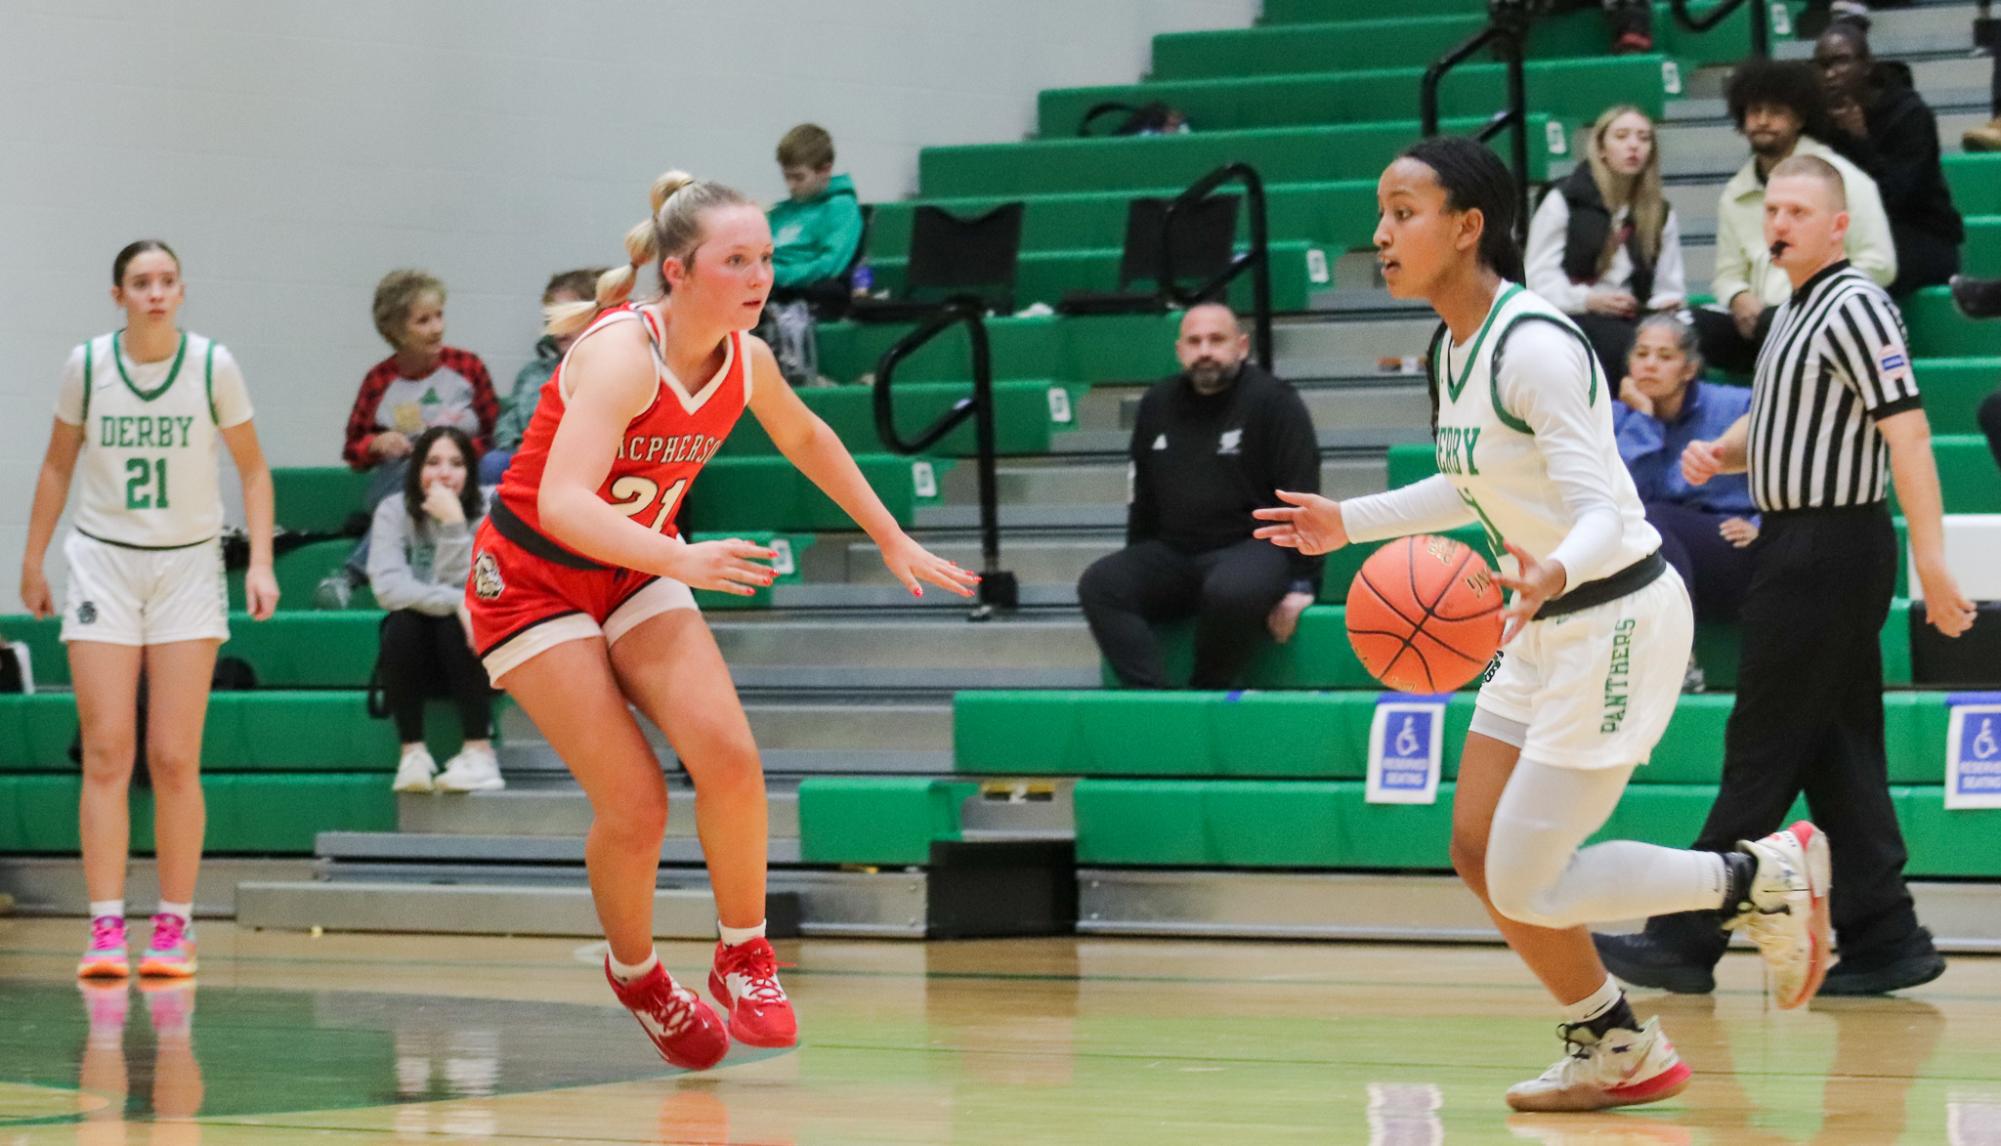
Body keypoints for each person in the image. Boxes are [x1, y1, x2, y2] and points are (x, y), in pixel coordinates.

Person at [1252, 138, 1828, 1113]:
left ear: (1468, 226)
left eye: (1403, 212)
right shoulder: (1452, 350)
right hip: (1539, 616)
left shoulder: (1538, 347)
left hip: (1613, 615)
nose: (1383, 234)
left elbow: (1606, 504)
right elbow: (1474, 480)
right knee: (1478, 852)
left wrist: (1556, 565)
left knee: (1528, 881)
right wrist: (1346, 523)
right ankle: (1615, 1045)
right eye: (1381, 215)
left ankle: (1757, 875)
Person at [465, 169, 977, 1068]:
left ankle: (744, 953)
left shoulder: (747, 359)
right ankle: (640, 975)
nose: (758, 278)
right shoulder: (625, 351)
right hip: (532, 577)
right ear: (678, 270)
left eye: (766, 260)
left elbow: (808, 436)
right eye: (735, 260)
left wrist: (889, 534)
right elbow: (560, 502)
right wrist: (679, 558)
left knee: (733, 759)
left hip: (634, 567)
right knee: (635, 803)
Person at [1595, 156, 1978, 999]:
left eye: (1799, 211)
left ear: (1837, 227)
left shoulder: (1855, 306)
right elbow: (1783, 422)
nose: (1779, 222)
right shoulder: (1791, 311)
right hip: (1798, 545)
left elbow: (1905, 434)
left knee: (1760, 750)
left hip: (1827, 551)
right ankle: (1886, 937)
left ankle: (1684, 937)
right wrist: (1720, 453)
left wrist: (1932, 562)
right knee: (1838, 751)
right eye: (1772, 207)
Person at [18, 240, 280, 980]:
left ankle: (174, 925)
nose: (156, 293)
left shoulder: (211, 366)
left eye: (167, 281)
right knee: (106, 751)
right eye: (141, 283)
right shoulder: (89, 366)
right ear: (118, 295)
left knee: (172, 756)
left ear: (181, 291)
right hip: (102, 558)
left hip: (188, 565)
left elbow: (253, 471)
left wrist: (259, 562)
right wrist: (33, 558)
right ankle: (105, 928)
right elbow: (56, 464)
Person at [1077, 304, 1319, 688]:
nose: (1205, 350)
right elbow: (1142, 498)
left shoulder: (1275, 401)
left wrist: (1302, 584)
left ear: (1241, 346)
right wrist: (1137, 564)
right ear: (1180, 351)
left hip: (1254, 547)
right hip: (1177, 553)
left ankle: (1205, 691)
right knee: (1101, 584)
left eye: (1216, 340)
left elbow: (1303, 496)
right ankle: (1155, 701)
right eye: (1194, 341)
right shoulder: (1156, 403)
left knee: (1230, 590)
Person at [1697, 59, 1896, 376]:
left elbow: (1880, 263)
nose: (1762, 121)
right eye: (1754, 111)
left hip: (1827, 320)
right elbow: (1727, 273)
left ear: (1800, 118)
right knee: (1684, 330)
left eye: (1775, 112)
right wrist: (1738, 297)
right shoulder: (1735, 193)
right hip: (1760, 325)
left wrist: (1812, 300)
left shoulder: (1845, 180)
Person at [368, 426, 499, 793]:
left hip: (474, 650)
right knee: (403, 621)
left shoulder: (492, 508)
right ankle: (413, 754)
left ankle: (479, 752)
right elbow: (388, 588)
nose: (444, 473)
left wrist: (455, 524)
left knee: (458, 621)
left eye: (456, 464)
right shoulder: (393, 510)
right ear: (415, 470)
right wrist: (456, 602)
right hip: (416, 653)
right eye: (433, 462)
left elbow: (480, 588)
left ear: (471, 472)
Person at [1613, 316, 1759, 633]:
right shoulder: (1617, 416)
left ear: (1689, 369)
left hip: (1732, 547)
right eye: (1641, 354)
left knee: (1653, 520)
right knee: (1640, 522)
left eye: (1665, 357)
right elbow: (1625, 499)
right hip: (1657, 548)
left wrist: (1764, 525)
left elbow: (1783, 466)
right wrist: (1644, 419)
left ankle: (1679, 652)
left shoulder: (1735, 406)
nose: (1650, 365)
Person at [1525, 105, 1687, 377]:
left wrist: (1663, 304)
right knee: (1623, 346)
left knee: (1686, 347)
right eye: (1622, 136)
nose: (1634, 146)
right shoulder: (1564, 199)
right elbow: (1537, 279)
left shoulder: (1660, 212)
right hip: (1573, 313)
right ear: (1600, 148)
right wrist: (1589, 300)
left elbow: (1669, 286)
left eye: (1643, 138)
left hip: (1636, 318)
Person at [1815, 23, 1965, 295]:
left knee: (1849, 277)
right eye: (1823, 66)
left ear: (1867, 65)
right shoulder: (1821, 120)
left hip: (1923, 236)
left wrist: (1859, 141)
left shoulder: (1910, 115)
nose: (1830, 74)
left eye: (1841, 62)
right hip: (1857, 234)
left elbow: (1898, 196)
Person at [484, 269, 603, 485]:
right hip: (529, 459)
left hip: (582, 465)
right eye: (551, 318)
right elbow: (507, 423)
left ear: (596, 315)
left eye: (567, 316)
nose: (558, 326)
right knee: (494, 463)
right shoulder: (533, 373)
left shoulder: (614, 372)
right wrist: (518, 446)